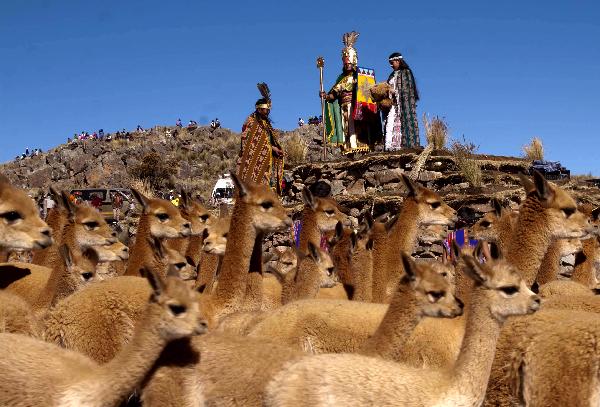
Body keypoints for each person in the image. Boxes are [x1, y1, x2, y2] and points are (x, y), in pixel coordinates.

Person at [320, 31, 382, 156]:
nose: (347, 65)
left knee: (359, 130)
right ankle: (349, 152)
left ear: (353, 62)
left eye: (349, 63)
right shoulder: (341, 78)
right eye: (345, 63)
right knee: (347, 130)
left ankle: (364, 150)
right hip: (344, 108)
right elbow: (334, 94)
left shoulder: (359, 76)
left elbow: (366, 91)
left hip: (356, 107)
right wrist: (325, 96)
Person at [237, 82, 284, 195]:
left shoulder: (265, 123)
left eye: (268, 110)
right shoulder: (251, 122)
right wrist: (269, 148)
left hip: (267, 159)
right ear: (259, 109)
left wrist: (275, 148)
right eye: (265, 110)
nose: (268, 112)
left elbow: (268, 140)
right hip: (253, 161)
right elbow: (250, 142)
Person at [384, 52, 421, 150]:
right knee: (390, 123)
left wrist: (395, 91)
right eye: (390, 63)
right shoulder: (391, 75)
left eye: (392, 62)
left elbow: (407, 90)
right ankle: (391, 147)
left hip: (403, 104)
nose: (391, 65)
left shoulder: (406, 72)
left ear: (398, 61)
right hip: (393, 105)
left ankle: (407, 145)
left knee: (405, 122)